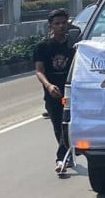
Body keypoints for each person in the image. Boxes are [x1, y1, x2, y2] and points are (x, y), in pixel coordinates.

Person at [34, 9, 77, 174]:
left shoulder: (74, 45)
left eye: (63, 23)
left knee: (68, 124)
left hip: (71, 93)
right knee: (58, 126)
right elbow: (39, 70)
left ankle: (61, 158)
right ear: (50, 26)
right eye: (57, 23)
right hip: (53, 93)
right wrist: (49, 86)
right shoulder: (42, 47)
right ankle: (67, 155)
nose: (61, 26)